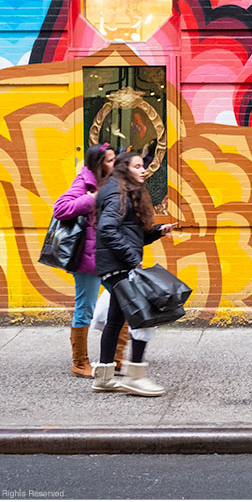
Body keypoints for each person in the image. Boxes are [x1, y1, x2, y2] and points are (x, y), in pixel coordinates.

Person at [91, 151, 176, 396]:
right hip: (118, 266)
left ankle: (104, 377)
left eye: (143, 166)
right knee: (144, 315)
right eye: (137, 166)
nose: (143, 170)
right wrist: (132, 259)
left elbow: (130, 234)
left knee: (116, 321)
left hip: (114, 265)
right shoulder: (118, 192)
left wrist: (157, 231)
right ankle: (136, 377)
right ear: (124, 168)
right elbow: (107, 229)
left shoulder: (123, 191)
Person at [52, 143, 115, 377]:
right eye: (109, 160)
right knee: (85, 309)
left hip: (109, 257)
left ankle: (115, 359)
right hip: (88, 261)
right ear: (98, 164)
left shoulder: (111, 182)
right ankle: (80, 363)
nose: (114, 164)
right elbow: (61, 208)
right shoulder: (84, 183)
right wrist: (92, 200)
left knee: (125, 298)